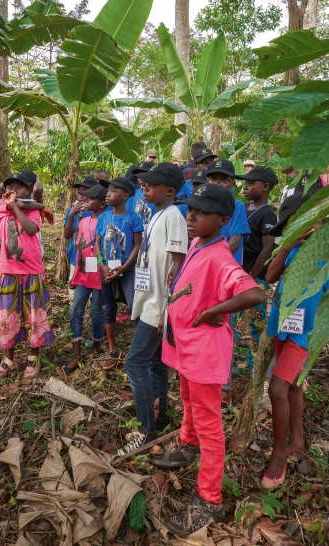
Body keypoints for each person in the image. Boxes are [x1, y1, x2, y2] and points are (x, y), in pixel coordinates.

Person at [152, 183, 263, 538]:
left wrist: (216, 309)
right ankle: (186, 444)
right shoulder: (201, 243)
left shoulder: (220, 256)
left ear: (224, 219)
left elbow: (254, 293)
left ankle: (209, 498)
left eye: (202, 212)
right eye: (191, 209)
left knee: (209, 422)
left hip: (202, 351)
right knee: (186, 400)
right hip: (185, 344)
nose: (192, 215)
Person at [261, 183, 329, 490]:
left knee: (277, 390)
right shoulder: (293, 247)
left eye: (312, 220)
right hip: (283, 324)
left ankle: (278, 455)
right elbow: (270, 277)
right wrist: (288, 244)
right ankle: (297, 440)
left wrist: (321, 330)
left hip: (304, 332)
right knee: (293, 385)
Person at [115, 163, 188, 455]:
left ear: (170, 191)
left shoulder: (174, 217)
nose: (144, 188)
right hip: (149, 303)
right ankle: (160, 415)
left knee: (135, 363)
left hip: (158, 307)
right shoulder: (157, 214)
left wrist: (165, 311)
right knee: (157, 364)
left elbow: (179, 265)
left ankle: (145, 429)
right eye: (142, 184)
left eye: (151, 185)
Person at [0, 169, 56, 378]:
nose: (12, 190)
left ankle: (33, 356)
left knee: (35, 315)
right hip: (9, 271)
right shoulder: (1, 205)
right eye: (10, 187)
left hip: (31, 270)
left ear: (28, 191)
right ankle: (8, 357)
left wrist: (33, 195)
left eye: (19, 187)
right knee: (7, 315)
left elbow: (29, 229)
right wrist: (15, 197)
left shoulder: (31, 211)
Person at [94, 176, 143, 367]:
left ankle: (139, 350)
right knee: (109, 309)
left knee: (133, 306)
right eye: (108, 190)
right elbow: (98, 241)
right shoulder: (104, 216)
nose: (108, 194)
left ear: (125, 196)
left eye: (114, 191)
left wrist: (124, 267)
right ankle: (112, 350)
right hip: (106, 269)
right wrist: (102, 264)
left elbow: (137, 245)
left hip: (127, 271)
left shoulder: (133, 218)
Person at [59, 184, 107, 376]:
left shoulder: (104, 220)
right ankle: (76, 353)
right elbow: (77, 245)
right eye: (85, 198)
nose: (85, 200)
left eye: (90, 199)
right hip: (83, 272)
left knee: (96, 311)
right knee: (75, 311)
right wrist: (77, 274)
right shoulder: (83, 219)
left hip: (97, 272)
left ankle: (96, 343)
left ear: (102, 204)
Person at [235, 165, 279, 375]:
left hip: (254, 275)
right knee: (233, 318)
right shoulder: (243, 208)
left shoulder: (267, 214)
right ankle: (232, 361)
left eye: (251, 184)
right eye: (246, 183)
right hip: (238, 271)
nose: (246, 187)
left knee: (257, 320)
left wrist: (253, 274)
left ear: (265, 187)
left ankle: (257, 365)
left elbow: (268, 246)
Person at [204, 159, 250, 265]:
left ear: (232, 184)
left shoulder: (237, 205)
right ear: (207, 181)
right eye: (213, 179)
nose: (218, 183)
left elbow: (234, 243)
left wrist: (212, 262)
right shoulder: (202, 204)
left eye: (225, 180)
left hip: (226, 265)